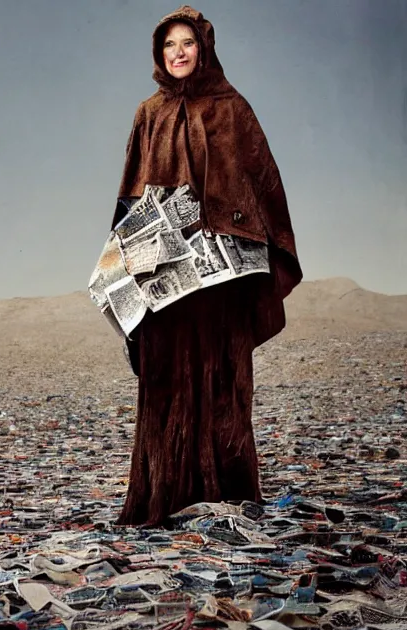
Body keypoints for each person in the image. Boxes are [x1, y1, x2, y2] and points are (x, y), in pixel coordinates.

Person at [114, 6, 302, 526]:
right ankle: (165, 497)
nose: (178, 52)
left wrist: (238, 235)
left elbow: (262, 185)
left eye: (188, 43)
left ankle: (225, 492)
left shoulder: (232, 108)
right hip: (165, 278)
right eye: (170, 44)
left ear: (204, 48)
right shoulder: (147, 113)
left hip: (218, 284)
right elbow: (130, 196)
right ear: (160, 53)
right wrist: (126, 267)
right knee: (165, 379)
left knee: (219, 380)